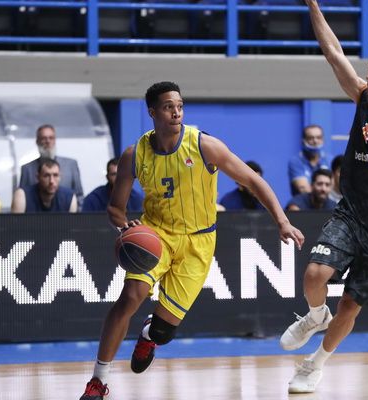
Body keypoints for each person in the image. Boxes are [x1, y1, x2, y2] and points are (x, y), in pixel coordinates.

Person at [79, 81, 305, 400]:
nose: (176, 112)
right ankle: (98, 381)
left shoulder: (204, 145)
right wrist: (124, 226)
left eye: (180, 106)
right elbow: (115, 208)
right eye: (168, 107)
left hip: (198, 242)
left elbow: (253, 180)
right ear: (152, 112)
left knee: (163, 331)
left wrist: (282, 221)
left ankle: (149, 335)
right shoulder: (135, 155)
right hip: (156, 235)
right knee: (129, 297)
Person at [279, 0, 368, 394]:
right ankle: (314, 316)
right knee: (314, 274)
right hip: (352, 212)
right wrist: (312, 4)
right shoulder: (362, 98)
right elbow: (332, 51)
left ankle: (314, 364)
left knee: (350, 305)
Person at [19, 124, 84, 205]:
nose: (48, 141)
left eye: (51, 138)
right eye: (44, 138)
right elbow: (21, 197)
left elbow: (79, 196)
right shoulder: (27, 169)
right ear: (37, 141)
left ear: (55, 140)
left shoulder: (71, 165)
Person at [11, 158, 77, 213]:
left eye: (55, 175)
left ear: (60, 177)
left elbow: (71, 224)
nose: (51, 181)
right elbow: (15, 224)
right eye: (46, 176)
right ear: (38, 177)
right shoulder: (22, 195)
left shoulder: (69, 197)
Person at [288, 124, 331, 196]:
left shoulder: (329, 160)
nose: (315, 141)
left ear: (323, 140)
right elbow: (304, 190)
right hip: (304, 202)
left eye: (318, 137)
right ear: (303, 140)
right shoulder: (296, 161)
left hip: (328, 202)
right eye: (311, 138)